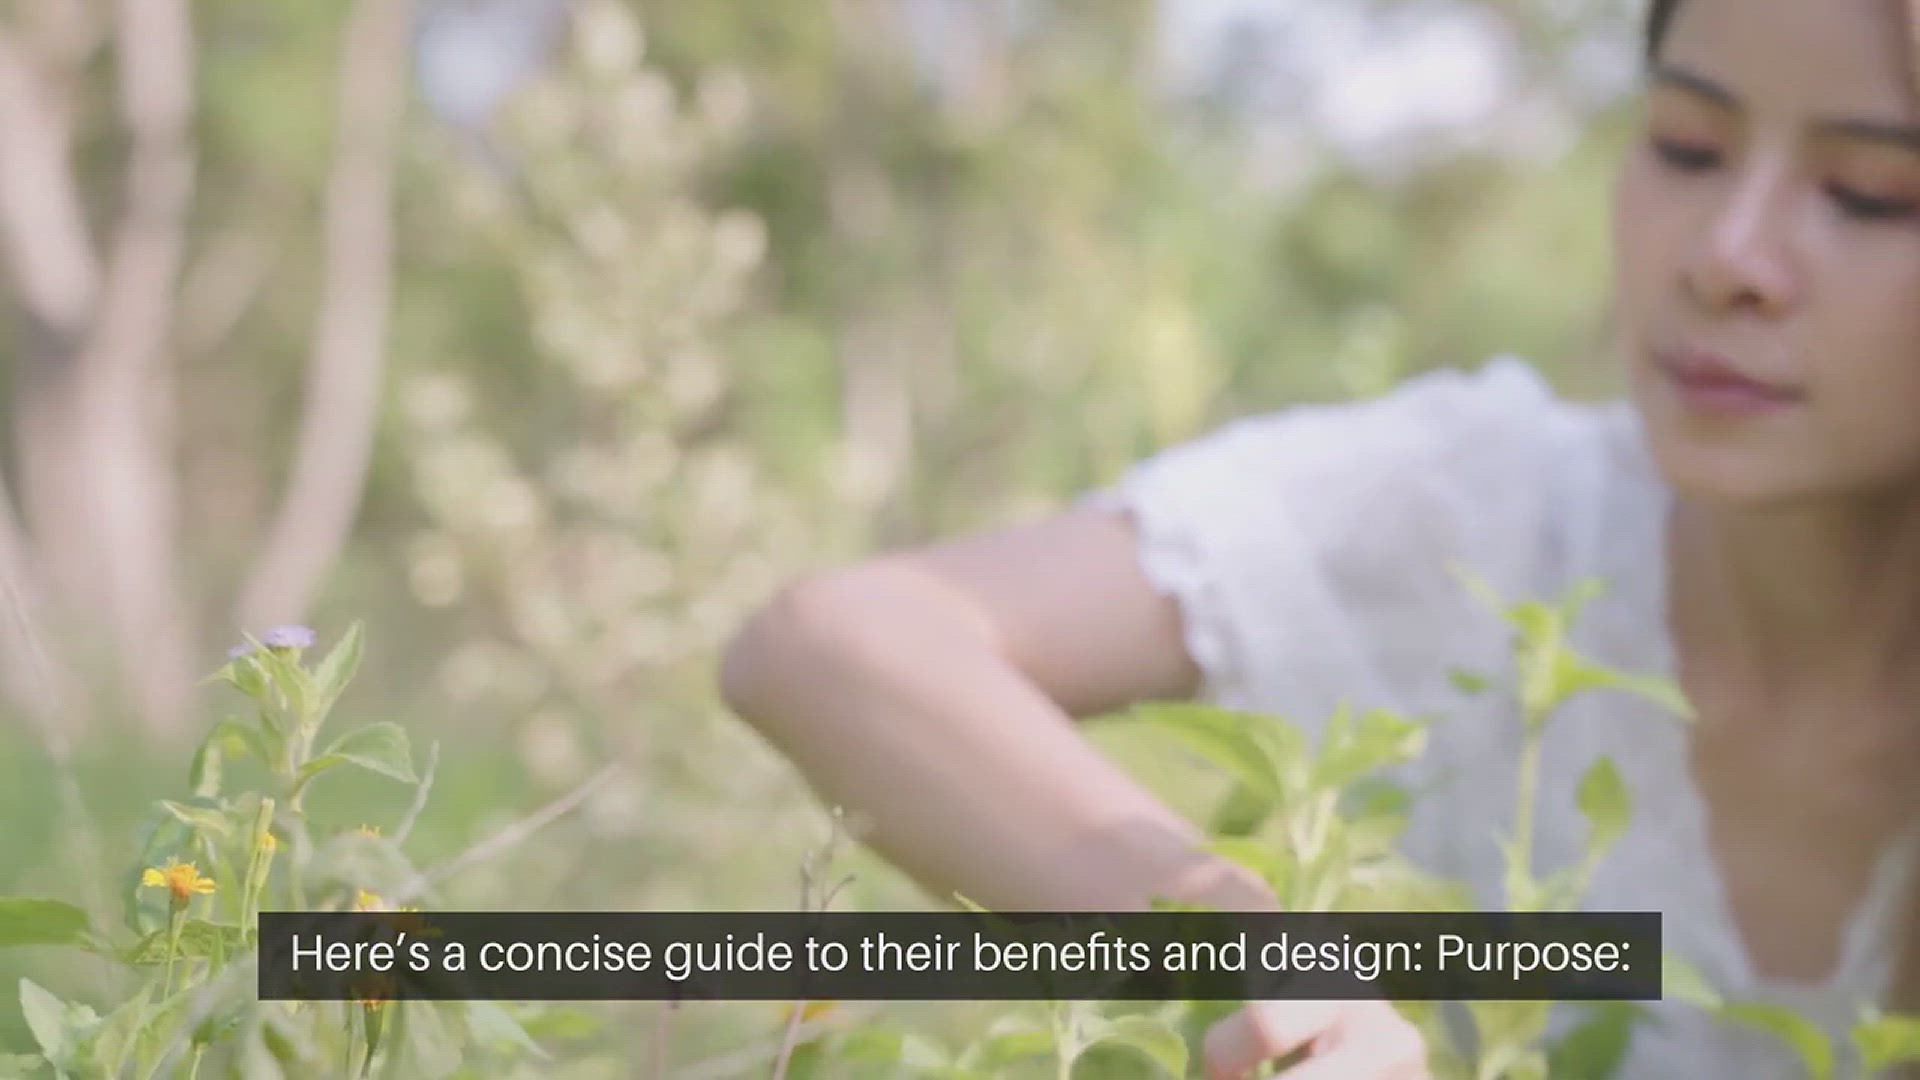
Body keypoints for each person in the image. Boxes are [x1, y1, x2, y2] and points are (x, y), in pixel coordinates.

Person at [719, 0, 1920, 1074]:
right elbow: (835, 645)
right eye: (1687, 145)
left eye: (1875, 192)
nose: (1726, 257)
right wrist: (1264, 962)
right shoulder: (1489, 511)